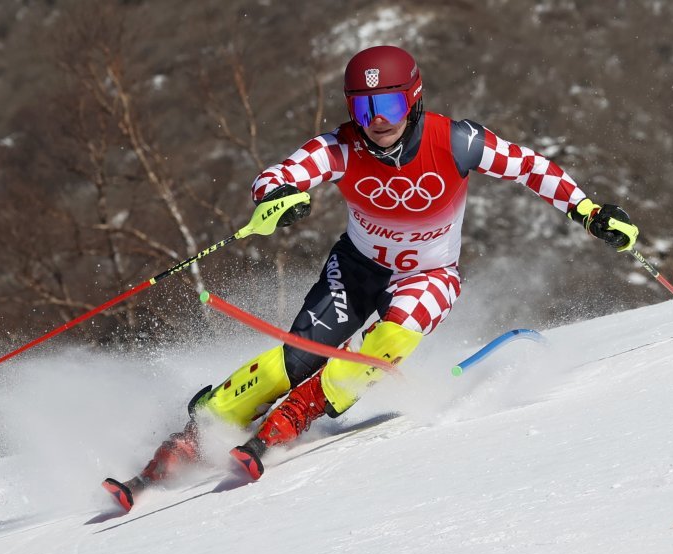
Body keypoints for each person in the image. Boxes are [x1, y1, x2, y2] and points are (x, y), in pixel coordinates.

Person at [102, 45, 638, 511]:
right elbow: (279, 175)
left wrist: (589, 212)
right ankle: (202, 429)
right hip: (356, 270)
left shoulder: (457, 142)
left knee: (379, 348)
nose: (376, 119)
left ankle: (293, 418)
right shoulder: (341, 146)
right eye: (363, 106)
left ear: (413, 98)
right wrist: (278, 197)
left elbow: (531, 167)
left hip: (429, 275)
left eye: (387, 104)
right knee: (299, 357)